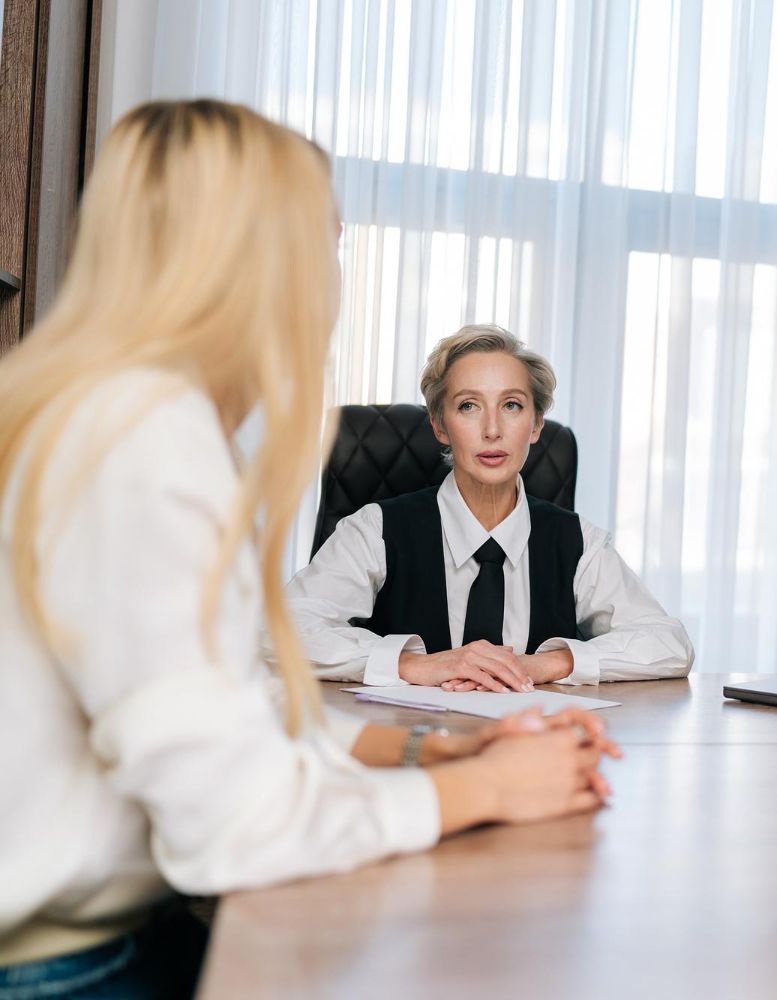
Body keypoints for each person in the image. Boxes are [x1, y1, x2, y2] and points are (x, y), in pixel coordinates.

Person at [0, 100, 619, 998]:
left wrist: (420, 754)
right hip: (70, 966)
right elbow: (236, 824)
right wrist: (484, 794)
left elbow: (226, 705)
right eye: (327, 243)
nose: (333, 279)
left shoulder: (105, 415)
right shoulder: (143, 443)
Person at [283, 325, 694, 693]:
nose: (492, 430)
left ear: (535, 426)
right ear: (440, 425)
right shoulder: (375, 530)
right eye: (468, 406)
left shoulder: (577, 542)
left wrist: (547, 662)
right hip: (406, 751)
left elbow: (669, 644)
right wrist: (413, 664)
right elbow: (279, 631)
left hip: (529, 753)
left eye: (512, 405)